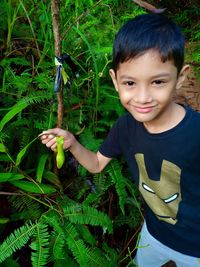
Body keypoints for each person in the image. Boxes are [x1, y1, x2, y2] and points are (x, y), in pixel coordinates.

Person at [40, 14, 200, 267]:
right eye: (130, 83)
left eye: (158, 81)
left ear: (180, 77)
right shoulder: (125, 127)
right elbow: (95, 164)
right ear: (115, 81)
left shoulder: (196, 133)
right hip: (153, 235)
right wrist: (71, 142)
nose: (143, 97)